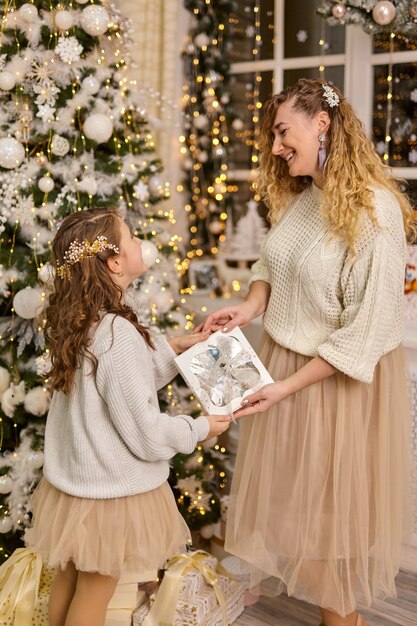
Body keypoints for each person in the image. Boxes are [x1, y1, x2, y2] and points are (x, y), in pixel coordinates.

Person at [200, 79, 414, 626]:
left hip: (333, 381)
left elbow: (365, 330)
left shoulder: (378, 213)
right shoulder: (302, 198)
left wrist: (287, 386)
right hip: (287, 365)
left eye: (281, 132)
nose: (274, 148)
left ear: (321, 124)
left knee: (328, 523)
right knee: (293, 514)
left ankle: (342, 620)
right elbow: (274, 264)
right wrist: (248, 309)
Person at [24, 207, 232, 626]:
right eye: (132, 237)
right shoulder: (116, 334)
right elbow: (147, 434)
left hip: (76, 488)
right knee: (96, 590)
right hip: (106, 497)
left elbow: (123, 382)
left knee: (68, 579)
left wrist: (179, 346)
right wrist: (200, 428)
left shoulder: (87, 322)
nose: (140, 242)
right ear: (115, 262)